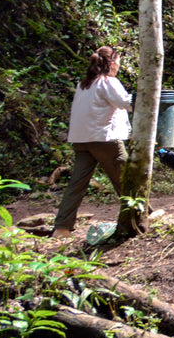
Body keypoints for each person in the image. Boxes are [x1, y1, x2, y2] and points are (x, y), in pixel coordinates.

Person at [53, 46, 133, 238]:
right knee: (126, 177)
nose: (119, 66)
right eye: (119, 62)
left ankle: (62, 227)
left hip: (81, 140)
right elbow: (127, 103)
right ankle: (143, 213)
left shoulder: (84, 84)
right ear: (112, 63)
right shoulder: (108, 82)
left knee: (77, 183)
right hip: (103, 138)